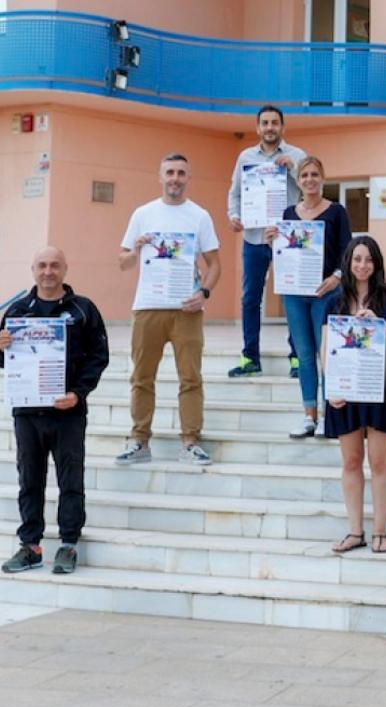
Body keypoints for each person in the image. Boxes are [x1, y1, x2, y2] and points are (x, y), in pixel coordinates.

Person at [0, 248, 109, 575]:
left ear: (64, 269)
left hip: (69, 412)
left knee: (70, 479)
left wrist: (78, 394)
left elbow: (98, 357)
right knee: (29, 479)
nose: (48, 271)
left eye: (54, 265)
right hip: (28, 412)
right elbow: (8, 363)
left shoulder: (83, 309)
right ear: (33, 270)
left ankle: (68, 544)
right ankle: (30, 546)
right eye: (42, 266)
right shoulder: (17, 311)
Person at [116, 153, 221, 466]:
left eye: (181, 173)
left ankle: (190, 441)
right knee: (142, 377)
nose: (175, 178)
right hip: (148, 307)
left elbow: (215, 265)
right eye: (170, 172)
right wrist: (135, 246)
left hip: (186, 309)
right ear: (160, 176)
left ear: (188, 177)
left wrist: (203, 293)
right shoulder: (143, 214)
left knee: (190, 377)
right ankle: (139, 441)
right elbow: (122, 261)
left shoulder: (199, 216)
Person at [325, 236, 386, 555]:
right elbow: (326, 348)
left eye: (369, 259)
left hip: (380, 384)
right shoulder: (335, 301)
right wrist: (330, 386)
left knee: (378, 461)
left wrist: (382, 326)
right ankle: (355, 531)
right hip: (345, 388)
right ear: (348, 262)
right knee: (350, 461)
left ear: (376, 264)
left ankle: (379, 532)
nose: (363, 265)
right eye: (357, 259)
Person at [266, 156, 351, 439]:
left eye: (315, 174)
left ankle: (330, 415)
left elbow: (347, 252)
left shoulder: (336, 211)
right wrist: (273, 241)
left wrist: (337, 277)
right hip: (295, 295)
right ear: (298, 181)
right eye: (304, 176)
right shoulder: (288, 214)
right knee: (304, 356)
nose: (310, 180)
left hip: (327, 293)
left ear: (322, 178)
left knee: (327, 355)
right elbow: (284, 252)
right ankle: (308, 415)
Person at [227, 105, 306, 378]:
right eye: (265, 123)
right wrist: (235, 216)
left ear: (282, 127)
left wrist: (293, 169)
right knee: (250, 298)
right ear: (258, 127)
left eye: (274, 123)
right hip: (254, 237)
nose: (270, 127)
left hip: (288, 238)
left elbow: (311, 188)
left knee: (293, 297)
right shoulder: (245, 157)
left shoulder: (297, 155)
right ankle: (250, 357)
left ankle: (298, 357)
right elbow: (235, 193)